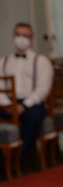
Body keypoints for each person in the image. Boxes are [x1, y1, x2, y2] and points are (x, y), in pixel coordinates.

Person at [0, 22, 53, 168]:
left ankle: (19, 159)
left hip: (31, 103)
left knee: (33, 117)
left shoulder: (41, 61)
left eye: (25, 35)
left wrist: (23, 105)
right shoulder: (3, 62)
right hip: (8, 102)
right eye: (18, 34)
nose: (21, 38)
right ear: (13, 36)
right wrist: (8, 105)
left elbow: (42, 89)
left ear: (32, 40)